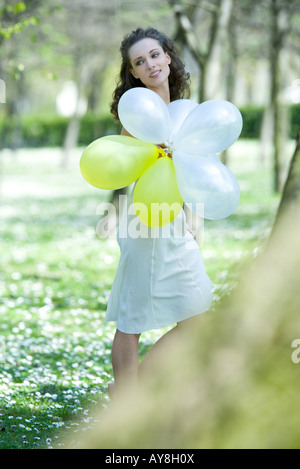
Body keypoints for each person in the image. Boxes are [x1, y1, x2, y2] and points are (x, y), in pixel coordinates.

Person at [105, 27, 213, 397]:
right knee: (132, 318)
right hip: (146, 224)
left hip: (176, 222)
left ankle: (131, 392)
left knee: (197, 318)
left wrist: (195, 218)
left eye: (154, 55)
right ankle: (127, 408)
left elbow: (194, 170)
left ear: (168, 56)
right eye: (139, 61)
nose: (149, 64)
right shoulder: (136, 115)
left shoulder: (184, 111)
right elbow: (126, 166)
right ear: (133, 72)